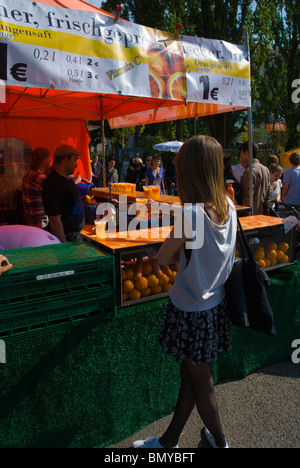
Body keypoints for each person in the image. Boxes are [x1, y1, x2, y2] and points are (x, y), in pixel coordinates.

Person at [132, 135, 237, 449]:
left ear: (191, 171)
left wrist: (162, 254)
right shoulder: (228, 204)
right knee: (190, 377)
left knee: (201, 383)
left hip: (191, 309)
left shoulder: (191, 215)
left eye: (179, 166)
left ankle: (220, 443)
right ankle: (168, 441)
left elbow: (163, 258)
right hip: (214, 305)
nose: (175, 172)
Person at [42, 144, 85, 243]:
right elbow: (54, 220)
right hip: (68, 237)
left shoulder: (66, 178)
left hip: (75, 235)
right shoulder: (53, 183)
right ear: (66, 160)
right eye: (75, 160)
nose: (76, 164)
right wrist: (63, 245)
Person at [22, 147, 51, 229]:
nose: (50, 161)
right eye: (49, 158)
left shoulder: (28, 174)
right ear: (44, 160)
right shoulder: (42, 178)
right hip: (40, 224)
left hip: (29, 221)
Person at [240, 141, 271, 215]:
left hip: (252, 214)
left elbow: (248, 196)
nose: (241, 155)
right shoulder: (265, 169)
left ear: (247, 152)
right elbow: (269, 191)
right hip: (263, 213)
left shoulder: (249, 171)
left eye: (242, 153)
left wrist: (243, 213)